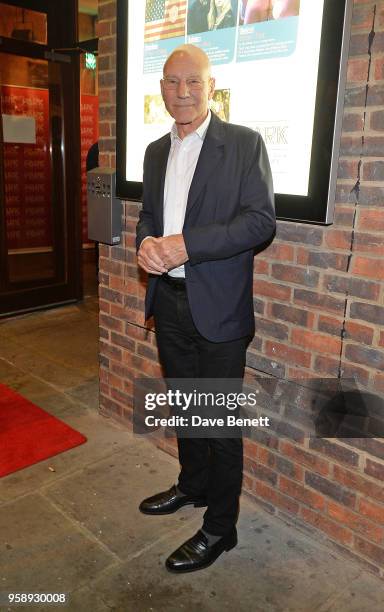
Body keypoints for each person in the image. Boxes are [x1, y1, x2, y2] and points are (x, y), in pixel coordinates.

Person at [136, 44, 275, 573]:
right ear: (163, 89)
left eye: (193, 81)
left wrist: (187, 245)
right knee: (184, 406)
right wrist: (149, 243)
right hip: (167, 303)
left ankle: (221, 528)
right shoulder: (154, 151)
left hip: (217, 309)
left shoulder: (243, 144)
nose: (182, 92)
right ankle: (192, 487)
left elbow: (260, 221)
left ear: (211, 87)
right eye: (172, 82)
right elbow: (151, 215)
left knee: (217, 421)